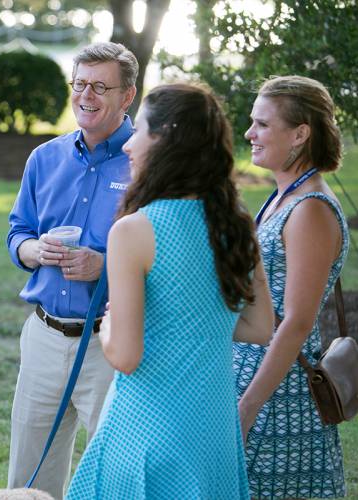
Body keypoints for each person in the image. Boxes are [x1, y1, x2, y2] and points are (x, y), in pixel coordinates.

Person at [66, 83, 274, 499]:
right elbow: (260, 327)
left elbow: (125, 355)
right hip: (213, 430)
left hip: (146, 429)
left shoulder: (134, 230)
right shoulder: (235, 224)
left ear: (165, 139)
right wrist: (192, 323)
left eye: (139, 130)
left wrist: (109, 324)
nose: (129, 146)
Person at [6, 41, 137, 499]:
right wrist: (31, 251)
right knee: (28, 478)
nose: (87, 95)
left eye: (101, 86)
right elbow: (17, 231)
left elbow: (164, 257)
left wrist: (104, 265)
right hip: (42, 337)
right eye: (80, 84)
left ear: (128, 96)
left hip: (108, 345)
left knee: (111, 478)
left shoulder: (147, 166)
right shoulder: (45, 158)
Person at [234, 75, 350, 499]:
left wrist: (248, 407)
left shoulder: (310, 209)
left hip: (279, 399)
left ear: (300, 133)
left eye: (262, 124)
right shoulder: (283, 197)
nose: (250, 133)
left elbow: (298, 321)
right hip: (252, 379)